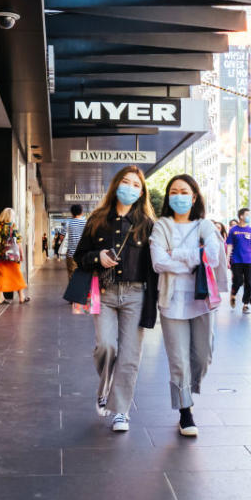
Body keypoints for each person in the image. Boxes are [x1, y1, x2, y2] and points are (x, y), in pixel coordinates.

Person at [73, 167, 159, 433]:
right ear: (116, 185)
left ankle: (120, 411)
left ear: (141, 191)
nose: (130, 188)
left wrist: (151, 306)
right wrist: (97, 257)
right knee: (106, 347)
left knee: (130, 356)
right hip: (106, 293)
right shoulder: (98, 219)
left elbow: (154, 268)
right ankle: (106, 388)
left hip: (136, 294)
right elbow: (80, 256)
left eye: (136, 184)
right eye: (126, 182)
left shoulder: (147, 223)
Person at [150, 175, 222, 437]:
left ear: (194, 197)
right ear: (169, 198)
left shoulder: (205, 226)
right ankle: (185, 411)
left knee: (203, 357)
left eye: (184, 191)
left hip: (201, 300)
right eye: (173, 192)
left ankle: (187, 390)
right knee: (179, 360)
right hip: (171, 302)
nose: (178, 196)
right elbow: (158, 262)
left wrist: (177, 254)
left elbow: (211, 258)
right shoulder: (161, 226)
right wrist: (194, 258)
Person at [0, 208, 30, 305]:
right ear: (10, 216)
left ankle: (0, 297)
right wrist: (21, 255)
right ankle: (21, 296)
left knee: (0, 275)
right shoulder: (12, 226)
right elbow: (18, 242)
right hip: (11, 256)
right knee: (16, 275)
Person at [227, 207, 251, 314]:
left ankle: (245, 304)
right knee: (238, 281)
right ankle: (233, 294)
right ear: (241, 216)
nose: (249, 217)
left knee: (249, 283)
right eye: (247, 215)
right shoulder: (233, 230)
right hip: (236, 260)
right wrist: (227, 259)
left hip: (248, 260)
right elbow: (230, 246)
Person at [64, 204, 86, 279]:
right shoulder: (86, 223)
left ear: (72, 213)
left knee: (72, 275)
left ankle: (73, 289)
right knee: (83, 275)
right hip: (83, 254)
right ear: (82, 212)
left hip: (71, 254)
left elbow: (63, 235)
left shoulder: (68, 223)